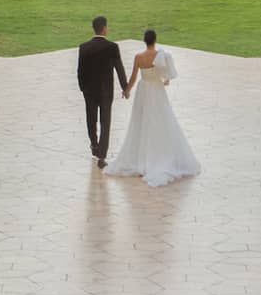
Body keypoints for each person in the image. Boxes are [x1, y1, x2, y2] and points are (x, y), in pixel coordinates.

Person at [105, 28, 201, 188]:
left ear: (144, 40)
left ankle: (142, 159)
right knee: (161, 120)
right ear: (155, 40)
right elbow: (166, 75)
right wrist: (166, 81)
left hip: (143, 90)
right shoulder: (161, 55)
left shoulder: (139, 57)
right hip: (156, 90)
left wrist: (127, 90)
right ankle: (158, 156)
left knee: (141, 121)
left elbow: (134, 76)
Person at [76, 15, 127, 168]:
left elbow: (80, 71)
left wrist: (83, 88)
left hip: (89, 92)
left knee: (91, 119)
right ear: (104, 28)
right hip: (106, 92)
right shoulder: (112, 47)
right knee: (106, 123)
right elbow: (119, 69)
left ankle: (94, 145)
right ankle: (102, 157)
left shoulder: (84, 47)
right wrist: (125, 87)